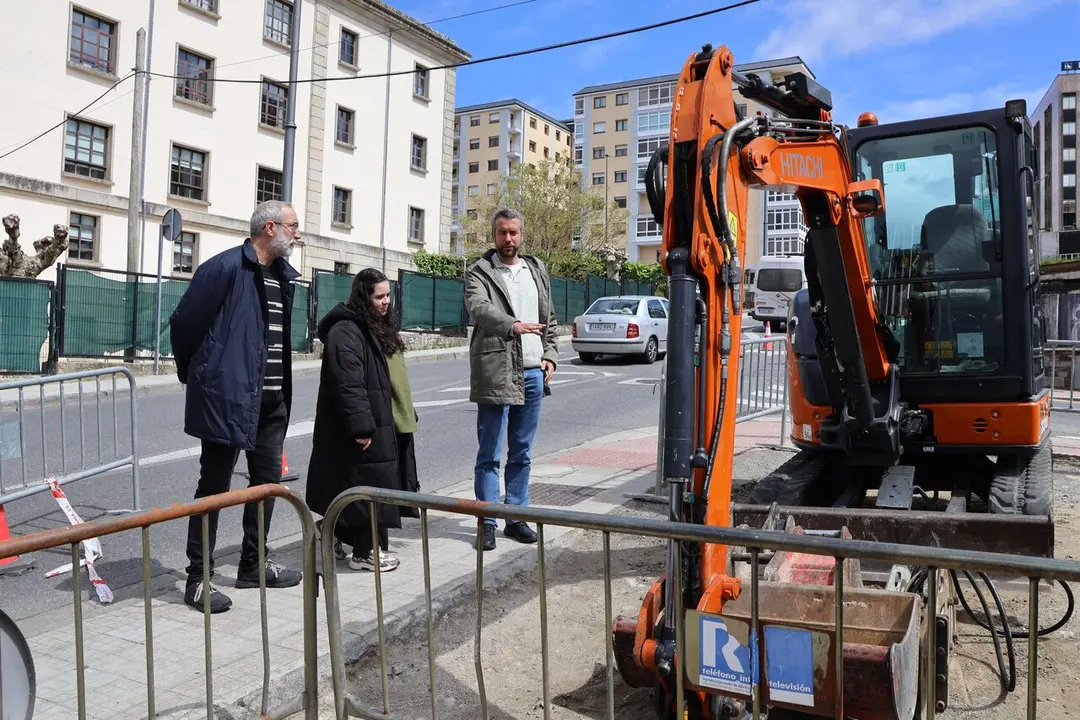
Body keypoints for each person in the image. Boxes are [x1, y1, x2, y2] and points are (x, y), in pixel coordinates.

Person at [169, 200, 304, 613]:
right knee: (213, 489)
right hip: (227, 400)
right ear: (269, 228)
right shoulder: (224, 268)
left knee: (265, 485)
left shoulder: (283, 276)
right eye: (293, 226)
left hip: (271, 403)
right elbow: (184, 324)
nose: (297, 234)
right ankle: (198, 579)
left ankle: (253, 564)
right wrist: (199, 373)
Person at [305, 268, 420, 572]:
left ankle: (331, 533)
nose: (386, 302)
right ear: (363, 297)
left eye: (388, 295)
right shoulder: (346, 331)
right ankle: (364, 553)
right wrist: (361, 426)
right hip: (364, 427)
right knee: (365, 489)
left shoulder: (375, 326)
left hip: (384, 421)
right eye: (379, 296)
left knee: (373, 487)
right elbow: (348, 384)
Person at [464, 208, 559, 551]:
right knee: (489, 453)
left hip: (533, 372)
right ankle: (487, 521)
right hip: (496, 372)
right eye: (502, 232)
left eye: (513, 232)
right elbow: (478, 308)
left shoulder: (536, 269)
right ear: (494, 235)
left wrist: (551, 355)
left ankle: (516, 518)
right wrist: (513, 325)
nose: (508, 238)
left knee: (521, 452)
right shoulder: (479, 271)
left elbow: (549, 318)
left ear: (522, 235)